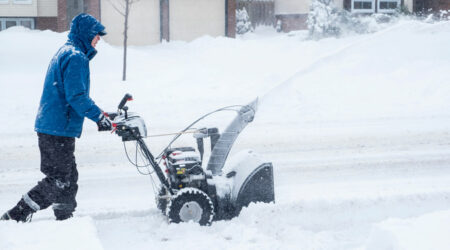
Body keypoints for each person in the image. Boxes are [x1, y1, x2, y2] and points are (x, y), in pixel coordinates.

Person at [1, 13, 112, 222]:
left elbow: (73, 94)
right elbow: (76, 96)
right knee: (59, 179)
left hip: (54, 125)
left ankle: (64, 217)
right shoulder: (76, 56)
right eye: (96, 35)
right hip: (58, 127)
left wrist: (100, 114)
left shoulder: (68, 52)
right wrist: (98, 117)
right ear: (87, 34)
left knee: (68, 176)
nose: (99, 39)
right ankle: (15, 215)